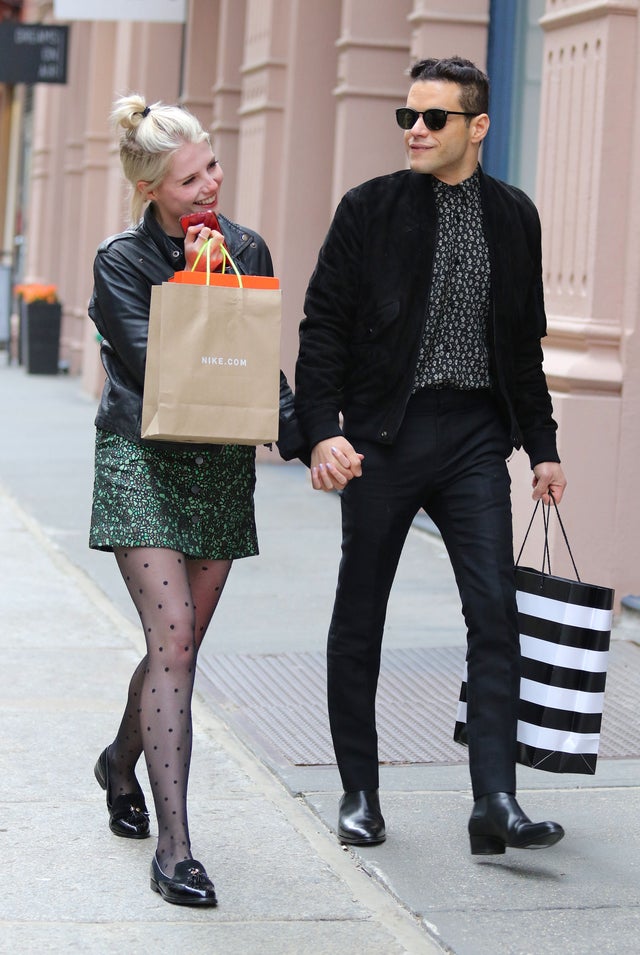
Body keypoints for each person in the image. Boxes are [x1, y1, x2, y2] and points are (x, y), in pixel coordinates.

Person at [294, 56, 567, 856]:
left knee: (494, 612)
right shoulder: (368, 210)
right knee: (361, 617)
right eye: (407, 117)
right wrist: (320, 429)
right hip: (385, 437)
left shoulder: (515, 217)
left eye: (434, 118)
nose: (415, 129)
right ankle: (359, 791)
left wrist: (543, 448)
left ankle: (496, 800)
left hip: (477, 436)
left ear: (477, 126)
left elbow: (523, 350)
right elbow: (323, 331)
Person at [89, 94, 305, 906]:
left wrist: (307, 435)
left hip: (216, 462)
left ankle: (119, 759)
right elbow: (158, 372)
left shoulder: (246, 245)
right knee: (173, 635)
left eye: (212, 165)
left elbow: (256, 363)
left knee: (174, 648)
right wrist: (198, 273)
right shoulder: (120, 260)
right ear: (153, 190)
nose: (211, 184)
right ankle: (176, 848)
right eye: (190, 178)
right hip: (141, 457)